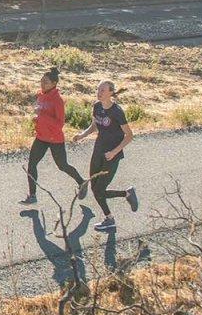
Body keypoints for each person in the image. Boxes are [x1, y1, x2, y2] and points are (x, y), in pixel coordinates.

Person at [70, 80, 138, 232]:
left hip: (111, 155)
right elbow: (94, 125)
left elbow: (129, 135)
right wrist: (82, 135)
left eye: (102, 90)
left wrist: (114, 152)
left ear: (111, 93)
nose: (99, 92)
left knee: (99, 190)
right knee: (95, 188)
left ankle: (109, 218)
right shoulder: (97, 106)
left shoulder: (117, 112)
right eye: (98, 89)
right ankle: (126, 194)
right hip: (98, 151)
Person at [21, 66, 87, 204]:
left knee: (62, 166)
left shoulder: (58, 101)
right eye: (41, 81)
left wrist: (42, 116)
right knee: (31, 165)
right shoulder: (41, 96)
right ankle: (32, 196)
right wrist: (37, 120)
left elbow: (59, 124)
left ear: (54, 84)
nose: (42, 84)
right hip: (41, 137)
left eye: (46, 82)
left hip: (55, 139)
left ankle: (82, 182)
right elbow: (42, 116)